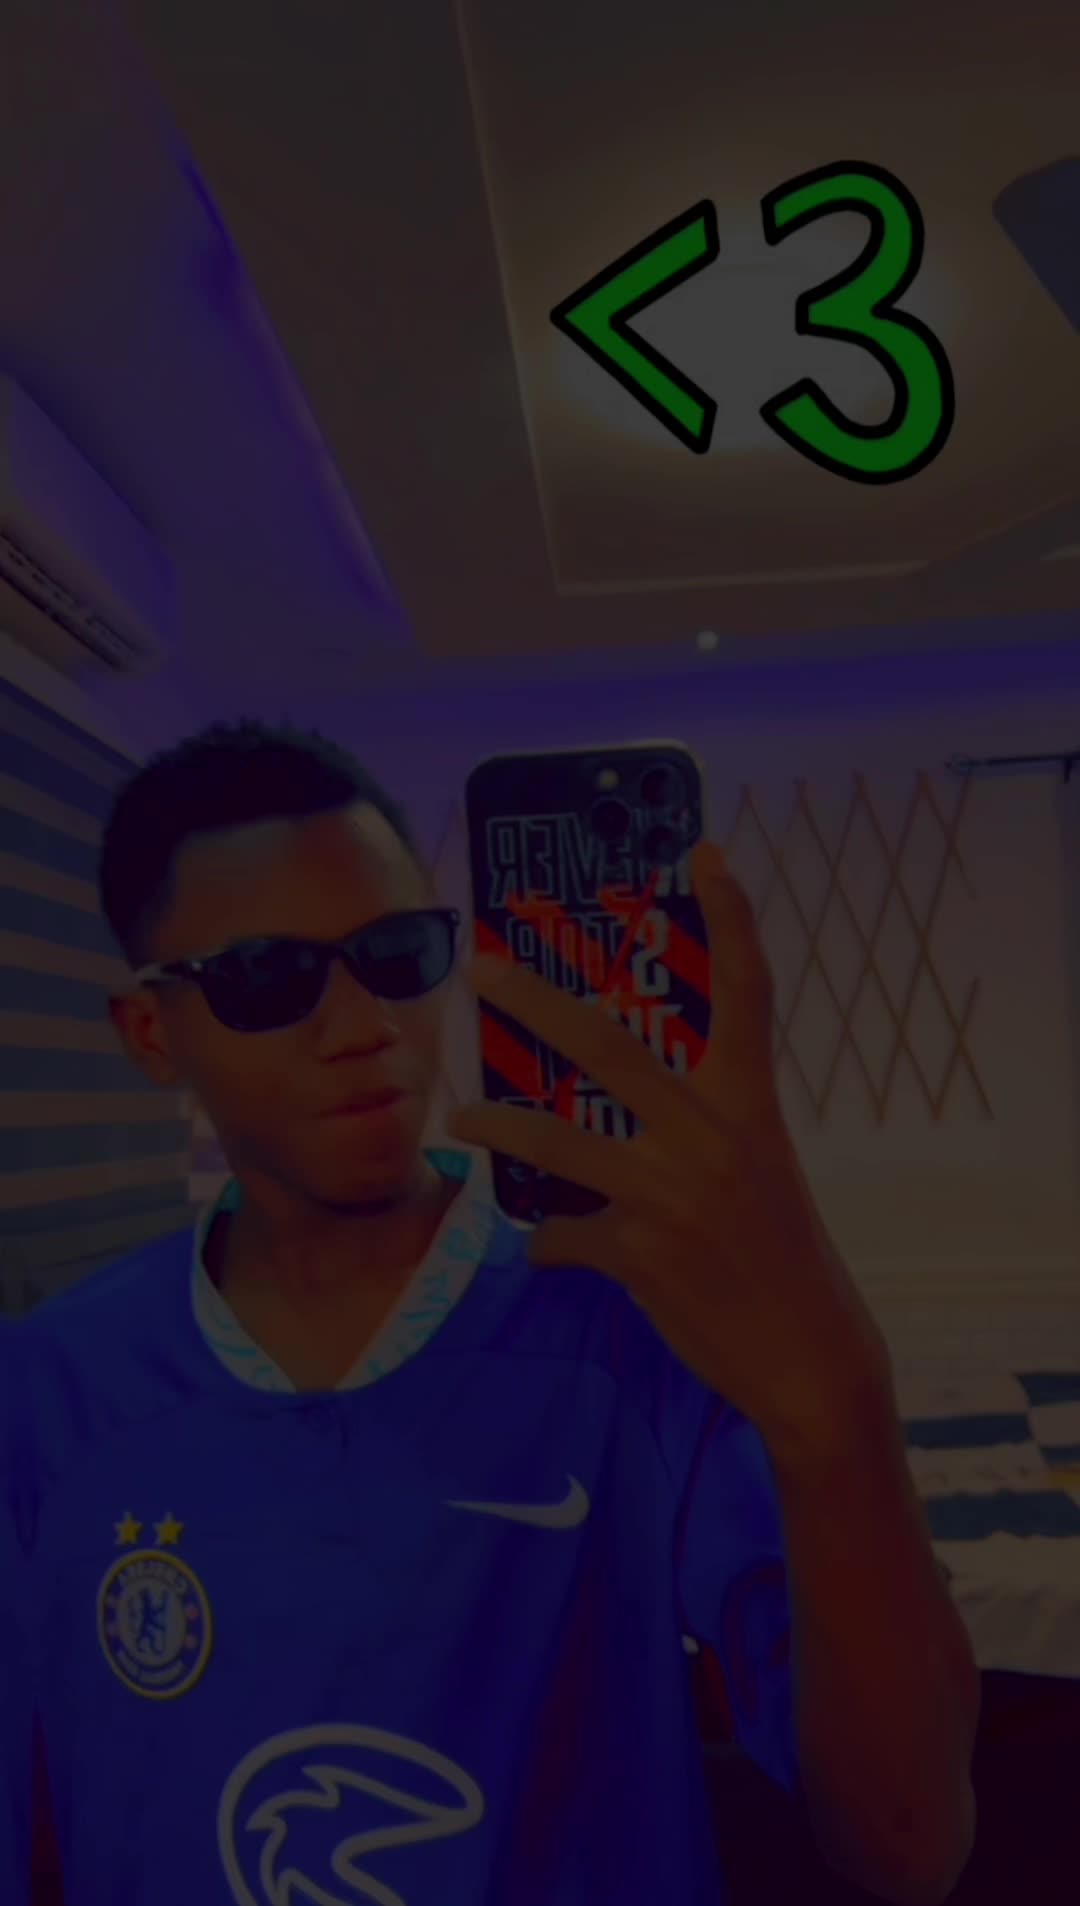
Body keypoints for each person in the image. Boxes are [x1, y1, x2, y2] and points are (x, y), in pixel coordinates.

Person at [7, 719, 979, 1905]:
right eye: (268, 978)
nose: (363, 1025)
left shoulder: (626, 1323)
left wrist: (841, 1399)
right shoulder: (50, 1398)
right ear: (151, 1033)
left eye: (398, 952)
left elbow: (908, 1842)